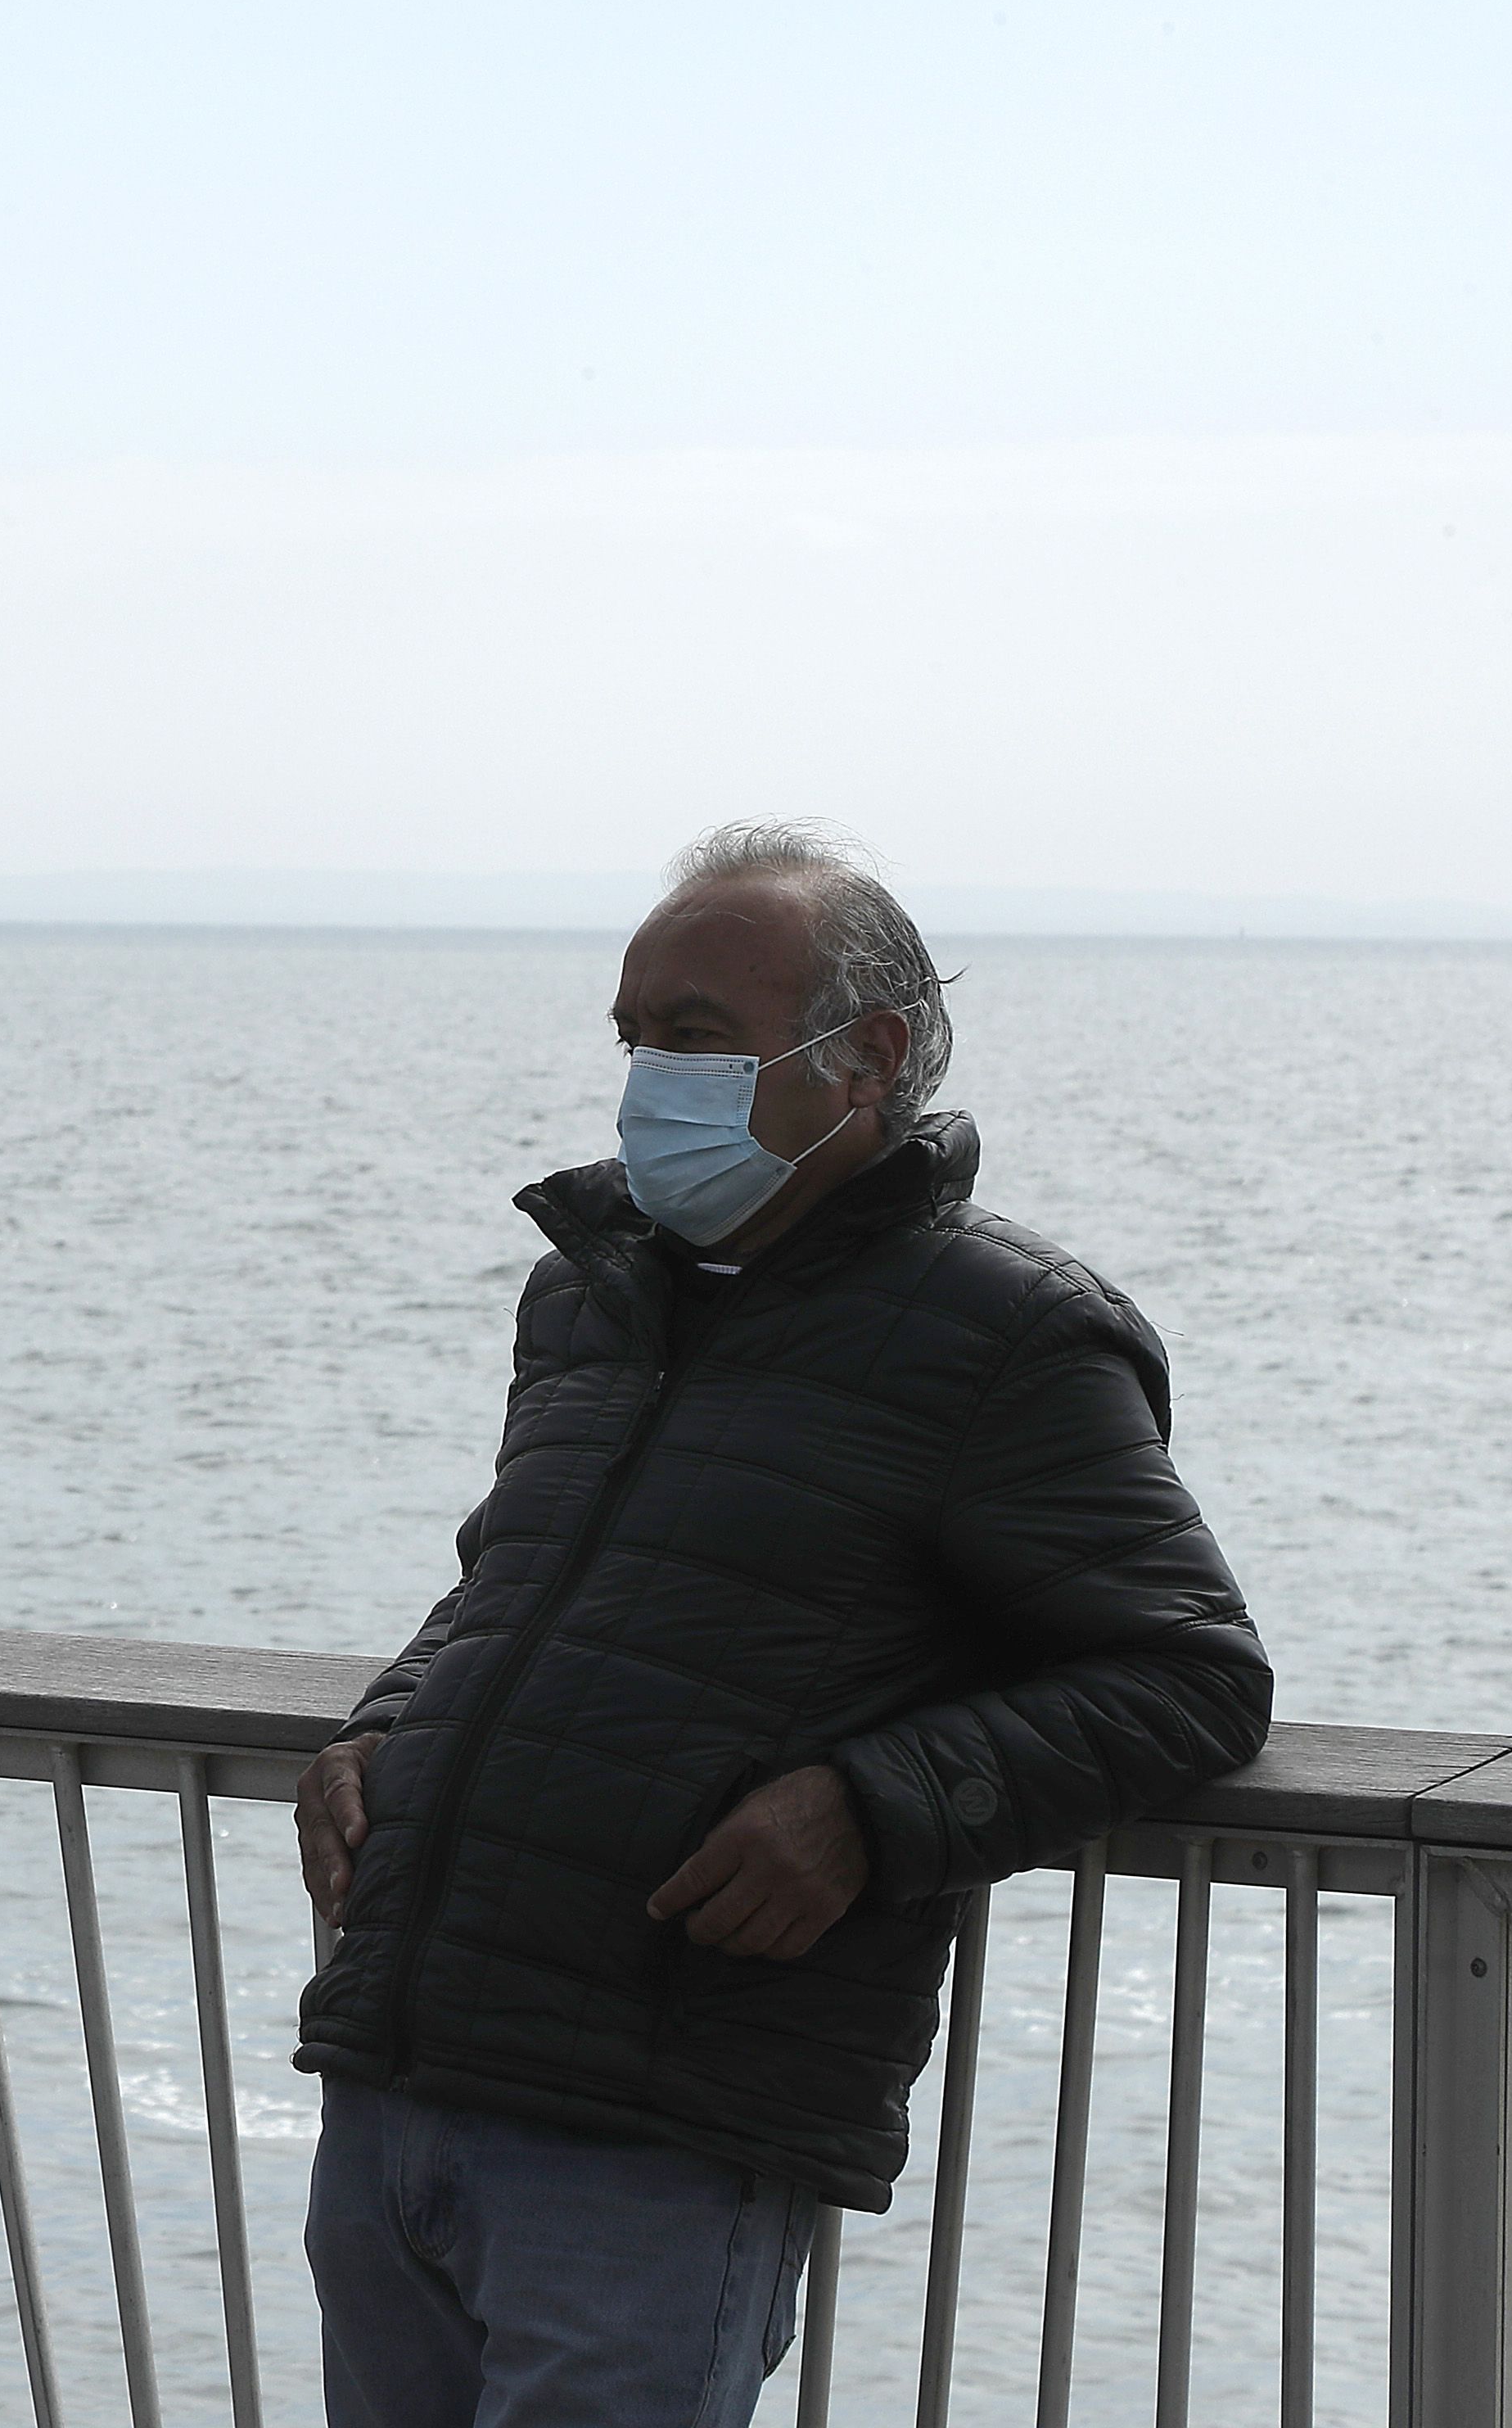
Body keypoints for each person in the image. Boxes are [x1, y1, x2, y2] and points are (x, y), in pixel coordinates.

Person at [291, 821, 1270, 2426]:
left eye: (693, 1038)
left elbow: (1186, 1675)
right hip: (404, 2078)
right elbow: (509, 1580)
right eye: (633, 1038)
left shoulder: (1009, 1332)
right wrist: (395, 1722)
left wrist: (872, 1813)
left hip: (661, 2122)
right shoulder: (594, 1299)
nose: (644, 1081)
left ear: (866, 1058)